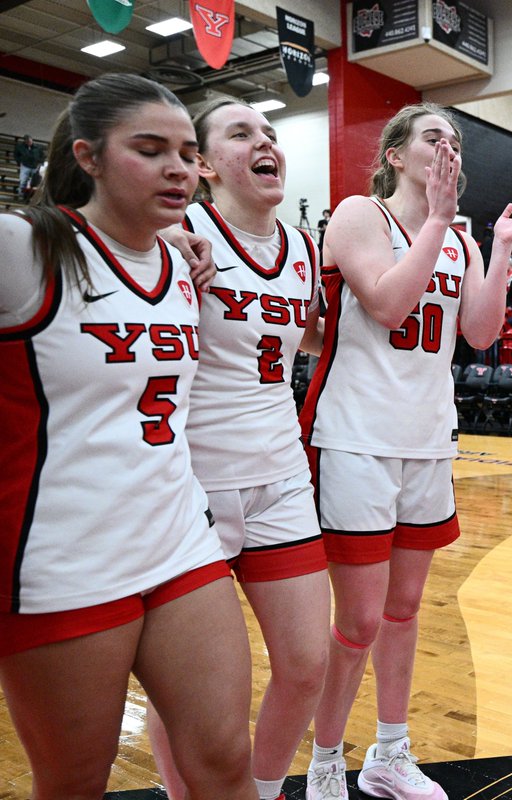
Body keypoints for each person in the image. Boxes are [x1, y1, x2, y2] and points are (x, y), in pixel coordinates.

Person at [0, 73, 257, 799]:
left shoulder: (181, 262)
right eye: (150, 150)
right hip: (63, 560)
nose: (179, 168)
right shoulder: (24, 247)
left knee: (224, 762)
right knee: (76, 782)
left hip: (178, 540)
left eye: (186, 152)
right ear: (87, 156)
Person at [299, 101, 512, 800]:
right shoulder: (357, 215)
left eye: (457, 141)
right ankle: (324, 758)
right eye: (433, 138)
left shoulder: (463, 240)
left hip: (427, 440)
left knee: (405, 609)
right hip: (354, 437)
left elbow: (478, 332)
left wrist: (497, 249)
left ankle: (390, 752)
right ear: (395, 156)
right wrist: (438, 222)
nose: (449, 150)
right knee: (357, 618)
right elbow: (386, 303)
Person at [143, 96, 330, 800]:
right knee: (190, 687)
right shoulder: (175, 230)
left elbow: (302, 335)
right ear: (204, 165)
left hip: (281, 473)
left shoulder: (304, 247)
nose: (265, 143)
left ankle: (261, 788)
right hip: (192, 484)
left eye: (272, 133)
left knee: (306, 663)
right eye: (241, 133)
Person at [14, 133, 44, 199]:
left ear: (32, 140)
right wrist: (19, 161)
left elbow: (42, 156)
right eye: (27, 142)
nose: (29, 143)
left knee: (34, 182)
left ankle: (31, 195)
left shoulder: (38, 147)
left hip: (35, 166)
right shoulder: (20, 147)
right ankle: (21, 193)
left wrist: (40, 163)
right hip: (25, 165)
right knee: (23, 180)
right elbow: (16, 155)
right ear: (25, 142)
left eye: (30, 141)